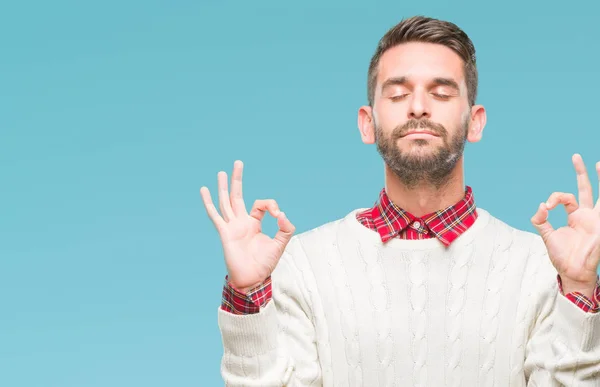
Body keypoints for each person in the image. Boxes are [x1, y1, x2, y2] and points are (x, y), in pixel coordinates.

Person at [200, 15, 600, 386]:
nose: (419, 106)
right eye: (398, 94)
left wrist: (580, 288)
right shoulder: (302, 264)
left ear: (474, 121)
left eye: (441, 93)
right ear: (367, 123)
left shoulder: (541, 268)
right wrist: (248, 292)